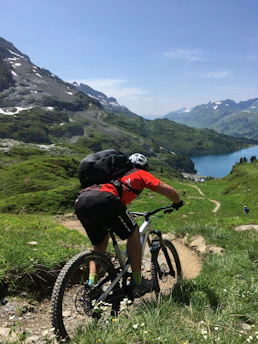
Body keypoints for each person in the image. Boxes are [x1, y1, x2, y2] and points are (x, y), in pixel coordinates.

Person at [74, 153, 184, 297]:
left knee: (99, 245)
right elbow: (167, 190)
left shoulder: (112, 176)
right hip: (106, 200)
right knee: (133, 233)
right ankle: (138, 283)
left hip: (81, 201)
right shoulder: (140, 173)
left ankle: (92, 286)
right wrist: (177, 202)